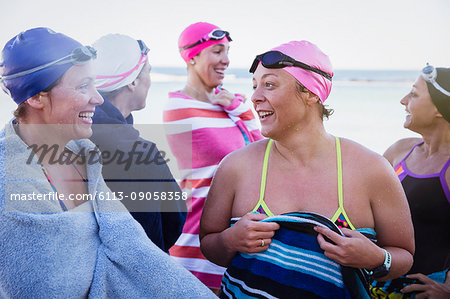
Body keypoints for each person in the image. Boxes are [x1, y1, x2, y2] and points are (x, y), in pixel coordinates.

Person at [0, 27, 214, 298]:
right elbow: (46, 285)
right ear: (35, 97)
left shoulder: (86, 156)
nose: (98, 98)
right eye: (82, 86)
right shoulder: (10, 176)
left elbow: (132, 244)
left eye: (94, 83)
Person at [199, 40, 415, 298]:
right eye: (254, 86)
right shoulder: (235, 166)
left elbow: (404, 255)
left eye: (269, 85)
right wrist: (229, 241)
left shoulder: (371, 170)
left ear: (312, 93)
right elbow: (210, 244)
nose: (255, 97)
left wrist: (376, 258)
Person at [163, 21, 263, 291]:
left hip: (238, 239)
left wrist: (239, 108)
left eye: (228, 52)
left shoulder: (233, 102)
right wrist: (241, 111)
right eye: (217, 51)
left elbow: (265, 153)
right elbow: (254, 153)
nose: (226, 60)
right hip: (197, 243)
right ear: (192, 56)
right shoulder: (179, 107)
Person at [90, 33, 186, 252]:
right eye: (148, 72)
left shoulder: (68, 131)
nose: (149, 80)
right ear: (133, 81)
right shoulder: (141, 154)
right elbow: (170, 225)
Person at [371, 65, 450, 299]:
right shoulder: (399, 151)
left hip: (421, 290)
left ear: (438, 107)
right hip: (374, 284)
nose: (403, 100)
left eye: (414, 94)